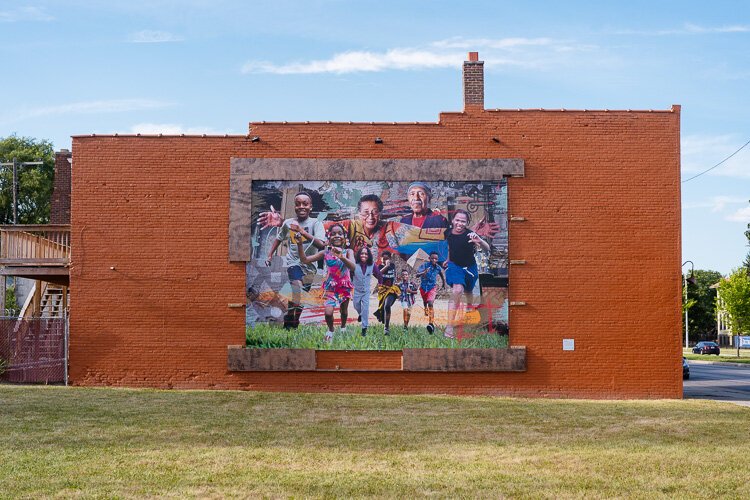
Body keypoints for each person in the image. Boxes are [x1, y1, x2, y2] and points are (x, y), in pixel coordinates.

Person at [263, 192, 325, 329]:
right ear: (295, 207)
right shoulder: (288, 223)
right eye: (298, 204)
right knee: (297, 289)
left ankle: (293, 320)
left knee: (300, 298)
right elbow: (279, 238)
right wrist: (270, 255)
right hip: (293, 263)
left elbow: (321, 245)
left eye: (305, 204)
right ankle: (290, 319)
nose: (301, 206)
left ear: (311, 207)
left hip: (310, 266)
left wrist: (302, 231)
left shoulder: (316, 223)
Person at [297, 224, 355, 341]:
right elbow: (304, 260)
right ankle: (331, 329)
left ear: (345, 237)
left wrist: (341, 257)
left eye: (340, 233)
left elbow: (353, 267)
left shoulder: (348, 251)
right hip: (331, 288)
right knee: (328, 313)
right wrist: (299, 244)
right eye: (333, 234)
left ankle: (343, 327)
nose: (337, 236)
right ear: (329, 238)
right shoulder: (325, 253)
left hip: (344, 287)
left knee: (344, 311)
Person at [443, 209, 490, 339]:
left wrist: (479, 241)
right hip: (455, 266)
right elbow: (449, 247)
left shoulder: (471, 235)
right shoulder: (447, 233)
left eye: (463, 221)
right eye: (457, 220)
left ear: (467, 222)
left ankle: (469, 308)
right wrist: (448, 259)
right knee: (457, 290)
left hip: (470, 268)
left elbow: (487, 248)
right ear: (452, 220)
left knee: (468, 293)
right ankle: (449, 327)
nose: (460, 223)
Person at [351, 246, 383, 337]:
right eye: (362, 253)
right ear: (359, 255)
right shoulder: (354, 264)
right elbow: (349, 274)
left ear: (368, 256)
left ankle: (364, 329)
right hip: (357, 291)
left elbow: (379, 274)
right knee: (356, 305)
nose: (364, 255)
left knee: (365, 309)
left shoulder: (372, 265)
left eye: (366, 254)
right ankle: (360, 314)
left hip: (366, 292)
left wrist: (380, 283)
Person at [416, 251, 446, 334]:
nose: (434, 260)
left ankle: (431, 323)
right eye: (432, 258)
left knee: (430, 303)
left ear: (437, 259)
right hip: (423, 287)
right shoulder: (424, 266)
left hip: (432, 288)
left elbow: (441, 274)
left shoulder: (438, 267)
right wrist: (423, 272)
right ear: (429, 258)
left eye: (436, 259)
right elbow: (417, 275)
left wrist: (443, 283)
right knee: (425, 301)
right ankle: (425, 308)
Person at [373, 250, 399, 335]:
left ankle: (386, 328)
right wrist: (386, 266)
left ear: (390, 258)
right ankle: (382, 316)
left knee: (387, 306)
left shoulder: (392, 265)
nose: (385, 260)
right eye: (383, 259)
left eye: (387, 259)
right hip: (382, 290)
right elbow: (378, 275)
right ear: (381, 259)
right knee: (383, 308)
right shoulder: (379, 266)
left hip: (391, 289)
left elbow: (394, 275)